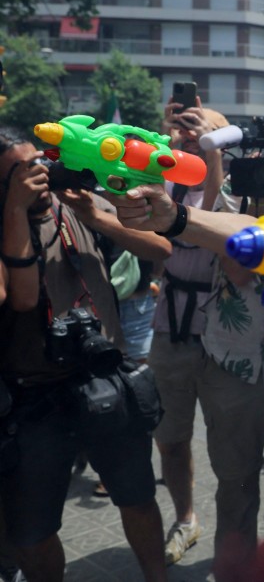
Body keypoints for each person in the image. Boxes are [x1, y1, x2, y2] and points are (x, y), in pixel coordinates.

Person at [107, 103, 264, 582]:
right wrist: (262, 209)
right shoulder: (239, 190)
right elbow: (234, 264)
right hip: (232, 367)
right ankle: (235, 573)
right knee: (234, 487)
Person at [0, 127, 171, 582]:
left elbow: (162, 248)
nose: (37, 177)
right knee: (32, 529)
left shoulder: (75, 200)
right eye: (20, 174)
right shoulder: (5, 223)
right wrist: (14, 208)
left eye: (38, 163)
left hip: (105, 375)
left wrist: (97, 216)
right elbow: (18, 299)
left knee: (137, 495)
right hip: (35, 391)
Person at [145, 98, 226, 566]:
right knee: (170, 436)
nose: (190, 133)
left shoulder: (235, 183)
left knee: (228, 440)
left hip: (219, 327)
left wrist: (213, 156)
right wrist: (164, 148)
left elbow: (212, 213)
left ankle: (233, 524)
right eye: (184, 126)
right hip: (170, 322)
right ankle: (186, 517)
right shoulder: (165, 180)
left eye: (201, 127)